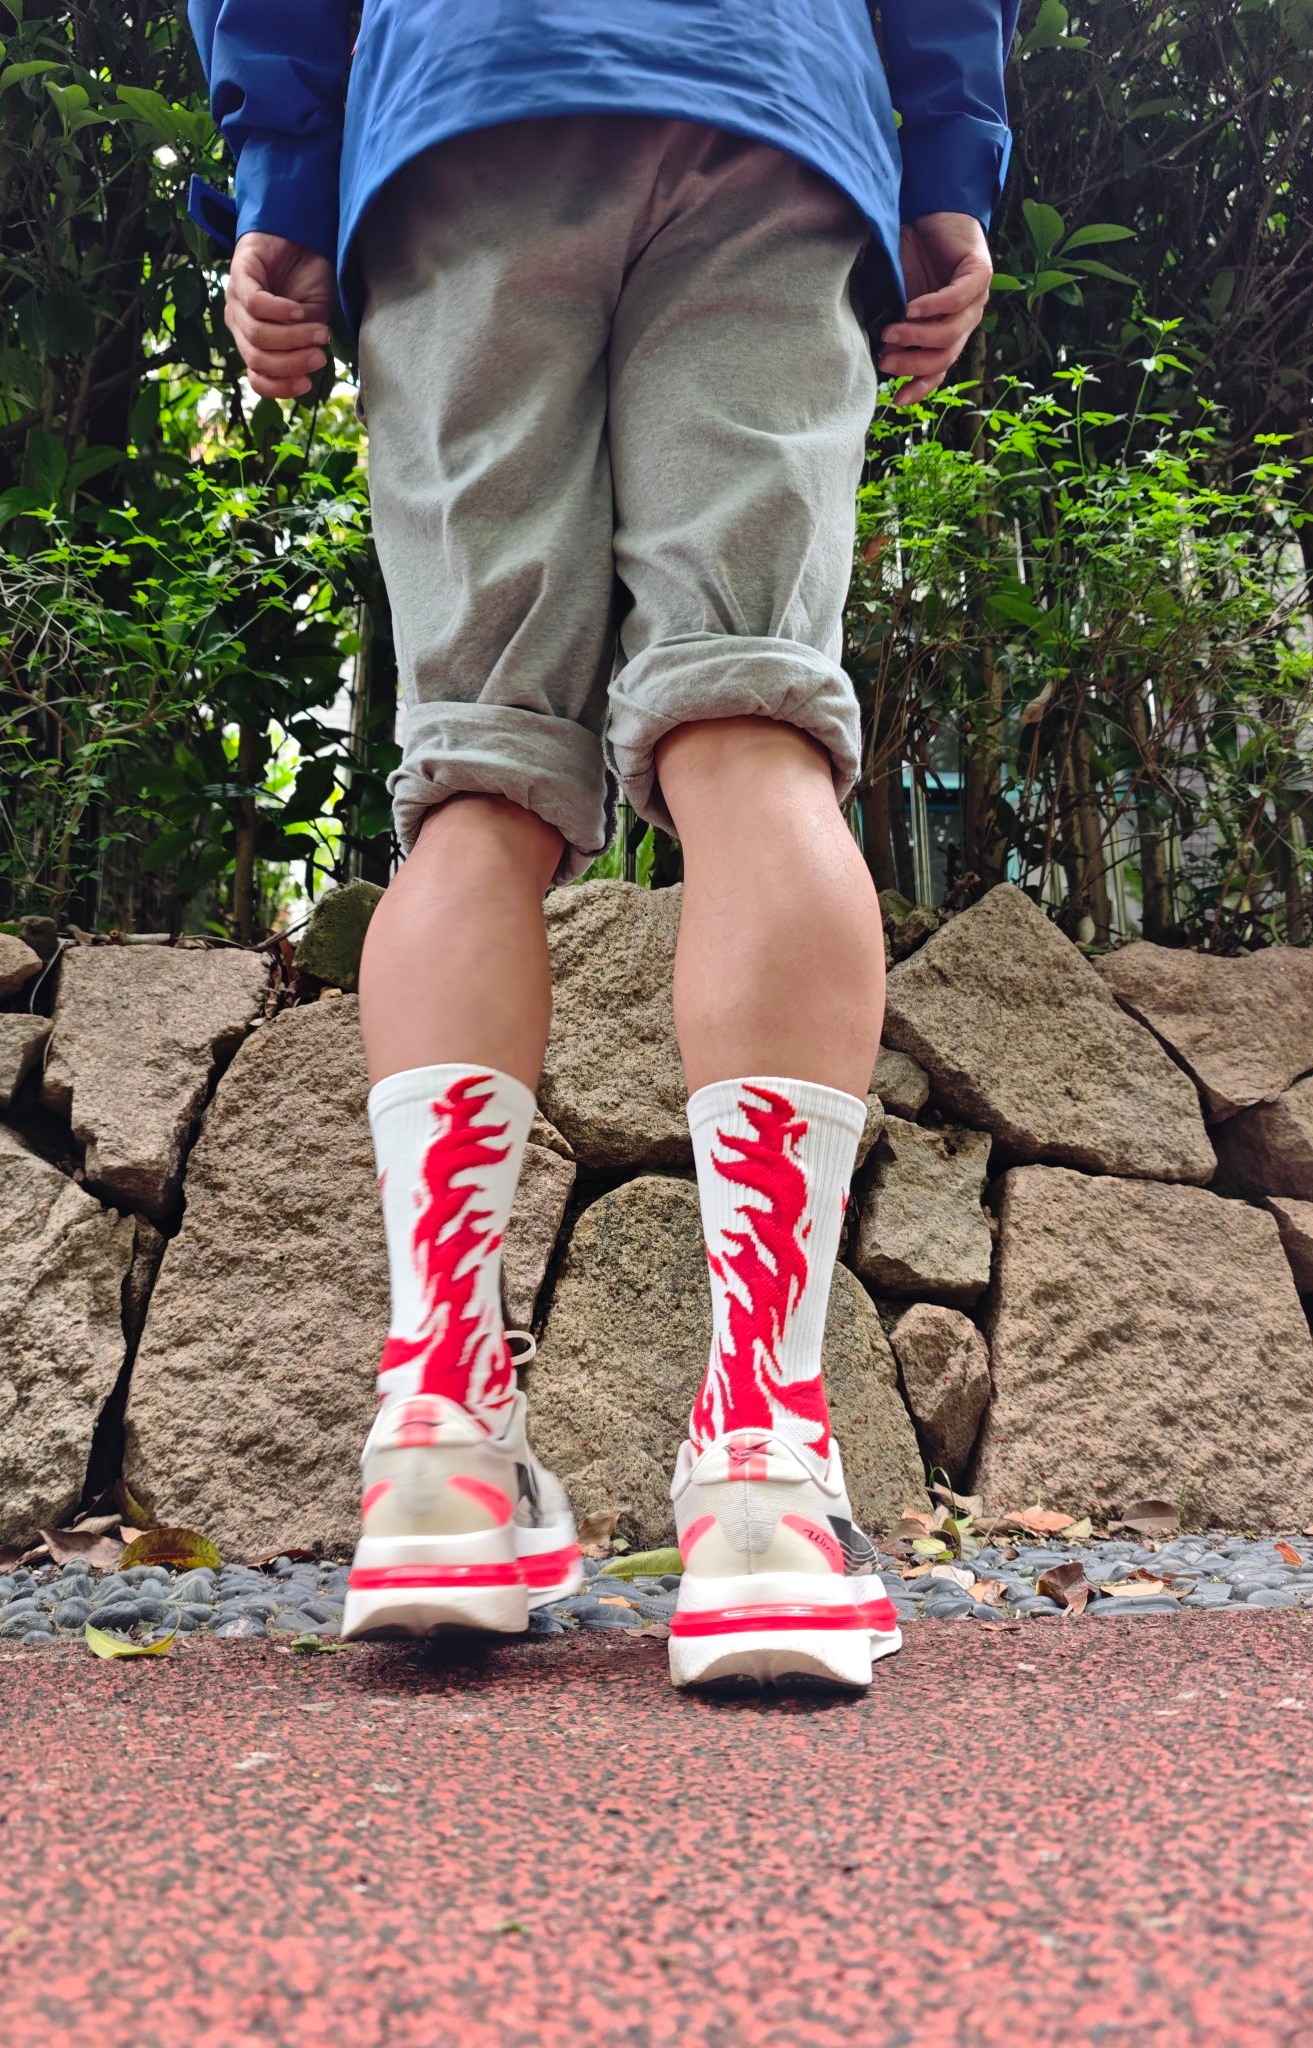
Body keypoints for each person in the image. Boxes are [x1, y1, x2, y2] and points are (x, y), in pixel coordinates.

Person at [188, 0, 1016, 1689]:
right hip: (771, 102)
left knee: (481, 775)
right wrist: (949, 162)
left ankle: (439, 1442)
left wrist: (283, 178)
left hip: (460, 111)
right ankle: (767, 1477)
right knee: (751, 725)